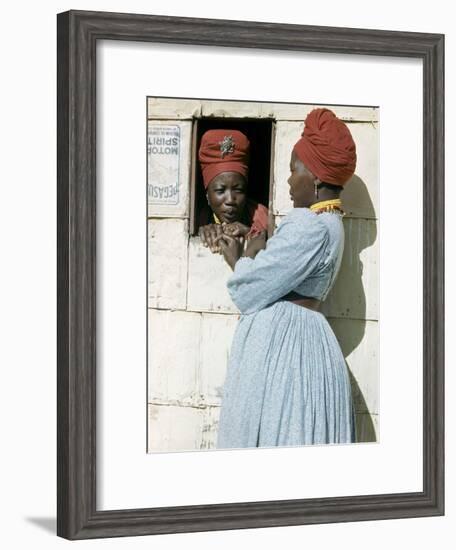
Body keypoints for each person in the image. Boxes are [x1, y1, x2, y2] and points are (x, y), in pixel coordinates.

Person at [215, 108, 357, 448]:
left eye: (294, 170)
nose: (290, 181)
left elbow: (252, 288)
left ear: (318, 177)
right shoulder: (333, 224)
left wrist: (238, 257)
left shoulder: (308, 225)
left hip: (286, 350)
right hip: (304, 337)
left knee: (276, 433)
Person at [197, 129, 269, 254]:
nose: (230, 200)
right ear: (207, 195)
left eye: (238, 190)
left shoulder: (263, 218)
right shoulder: (197, 219)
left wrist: (249, 233)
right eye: (220, 191)